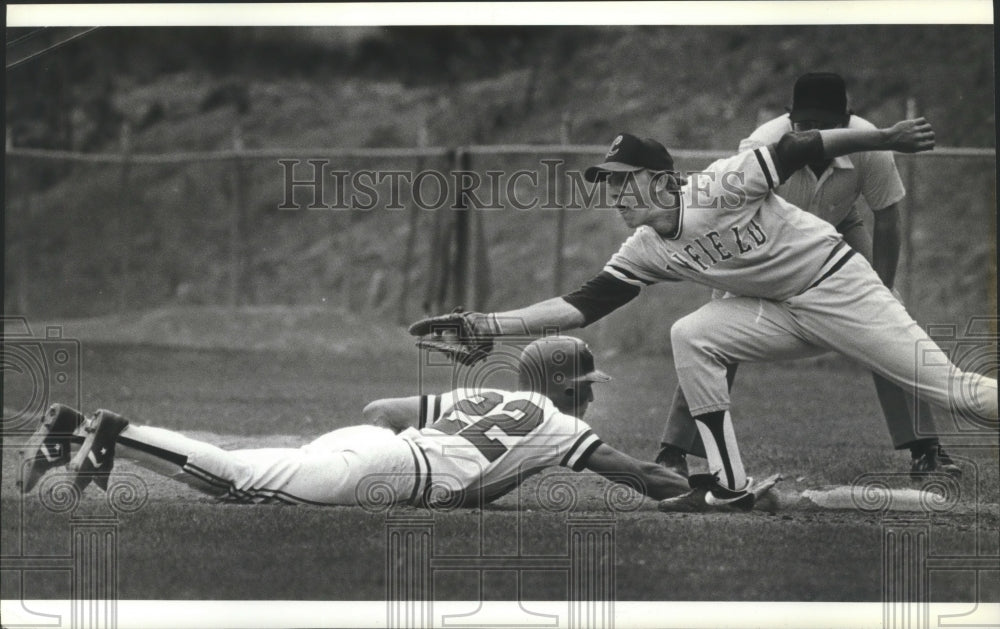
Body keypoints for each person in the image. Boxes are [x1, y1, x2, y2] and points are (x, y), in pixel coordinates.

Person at [409, 118, 998, 510]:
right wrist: (488, 325)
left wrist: (885, 135)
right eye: (608, 186)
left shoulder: (717, 187)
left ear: (664, 181)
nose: (615, 194)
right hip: (777, 309)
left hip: (839, 287)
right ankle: (731, 485)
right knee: (691, 333)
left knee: (956, 393)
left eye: (625, 181)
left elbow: (795, 147)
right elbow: (582, 305)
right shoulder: (645, 247)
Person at [656, 72, 958, 481]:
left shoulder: (869, 143)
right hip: (761, 240)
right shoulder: (763, 144)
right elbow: (730, 217)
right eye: (804, 125)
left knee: (892, 323)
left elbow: (887, 218)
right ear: (788, 118)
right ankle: (672, 451)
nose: (815, 134)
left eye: (827, 125)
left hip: (837, 231)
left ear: (847, 120)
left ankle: (927, 451)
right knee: (709, 333)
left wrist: (882, 291)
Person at [18, 336, 697, 509]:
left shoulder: (475, 396)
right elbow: (636, 474)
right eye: (586, 386)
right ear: (566, 387)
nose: (590, 398)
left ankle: (73, 431)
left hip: (373, 444)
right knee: (235, 482)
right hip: (390, 468)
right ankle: (112, 430)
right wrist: (712, 494)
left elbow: (380, 412)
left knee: (242, 470)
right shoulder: (554, 424)